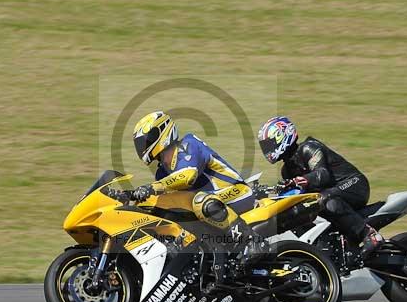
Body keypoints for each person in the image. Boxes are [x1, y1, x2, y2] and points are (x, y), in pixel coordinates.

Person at [129, 111, 267, 282]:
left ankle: (252, 241)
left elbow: (188, 176)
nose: (142, 146)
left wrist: (152, 187)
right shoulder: (161, 172)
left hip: (237, 192)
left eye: (146, 140)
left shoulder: (188, 144)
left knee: (200, 201)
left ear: (162, 132)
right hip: (213, 206)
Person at [257, 116, 384, 257]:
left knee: (324, 199)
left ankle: (369, 234)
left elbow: (322, 175)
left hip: (354, 184)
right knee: (294, 212)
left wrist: (299, 180)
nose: (267, 150)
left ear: (282, 136)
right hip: (334, 195)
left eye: (269, 144)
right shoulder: (286, 170)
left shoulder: (309, 148)